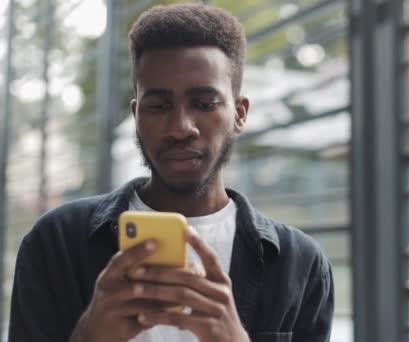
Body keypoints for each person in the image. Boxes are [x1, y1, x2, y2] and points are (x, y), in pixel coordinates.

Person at [8, 3, 334, 342]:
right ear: (137, 114)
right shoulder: (56, 243)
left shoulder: (300, 264)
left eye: (204, 104)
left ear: (239, 113)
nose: (180, 127)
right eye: (158, 106)